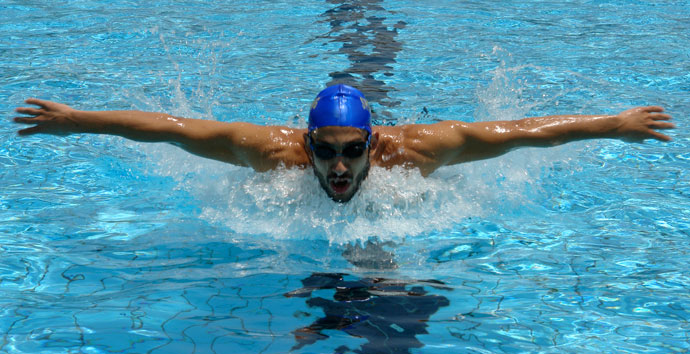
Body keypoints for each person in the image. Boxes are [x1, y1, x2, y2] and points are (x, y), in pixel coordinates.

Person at [13, 84, 675, 202]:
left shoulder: (416, 151)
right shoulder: (272, 152)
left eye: (350, 151)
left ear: (373, 141)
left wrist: (612, 124)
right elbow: (170, 128)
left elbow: (520, 134)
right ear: (306, 140)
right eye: (324, 149)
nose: (335, 165)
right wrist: (80, 119)